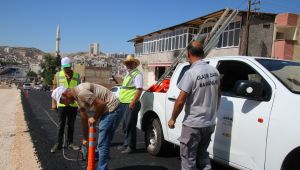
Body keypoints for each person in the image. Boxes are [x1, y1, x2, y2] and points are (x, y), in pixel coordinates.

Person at [168, 41, 221, 170]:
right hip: (209, 123)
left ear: (189, 54)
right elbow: (218, 95)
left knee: (188, 158)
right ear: (202, 53)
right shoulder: (214, 71)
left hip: (193, 124)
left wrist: (173, 118)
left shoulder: (191, 73)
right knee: (203, 154)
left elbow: (180, 101)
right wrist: (214, 113)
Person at [51, 83, 123, 170]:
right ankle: (100, 162)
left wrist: (94, 118)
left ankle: (101, 168)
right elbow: (84, 118)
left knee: (102, 143)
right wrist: (85, 138)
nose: (65, 104)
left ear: (65, 94)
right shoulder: (77, 97)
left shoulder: (81, 93)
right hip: (109, 110)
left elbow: (101, 104)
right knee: (103, 142)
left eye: (63, 101)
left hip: (113, 109)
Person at [51, 57, 81, 153]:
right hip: (62, 104)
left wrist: (80, 105)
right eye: (65, 67)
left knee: (71, 124)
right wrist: (53, 104)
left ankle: (70, 143)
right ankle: (59, 143)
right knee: (61, 124)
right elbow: (54, 91)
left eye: (68, 67)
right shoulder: (57, 75)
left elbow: (79, 91)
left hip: (73, 104)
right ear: (62, 67)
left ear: (71, 66)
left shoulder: (77, 76)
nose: (66, 69)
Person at [117, 55, 143, 154]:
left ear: (134, 64)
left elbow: (139, 90)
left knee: (130, 125)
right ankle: (126, 143)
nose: (128, 64)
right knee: (125, 125)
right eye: (127, 63)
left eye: (130, 63)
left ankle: (131, 146)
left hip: (130, 103)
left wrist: (133, 102)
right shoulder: (129, 74)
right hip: (124, 102)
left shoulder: (137, 74)